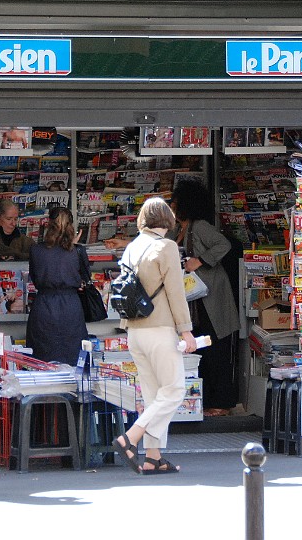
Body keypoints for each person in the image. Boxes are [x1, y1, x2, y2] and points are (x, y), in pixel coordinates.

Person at [111, 196, 196, 475]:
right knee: (173, 391)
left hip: (134, 330)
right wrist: (186, 331)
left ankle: (152, 457)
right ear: (168, 220)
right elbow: (175, 292)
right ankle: (130, 438)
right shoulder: (166, 247)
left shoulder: (133, 247)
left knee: (152, 396)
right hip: (160, 329)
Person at [170, 177, 239, 417]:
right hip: (197, 301)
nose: (172, 208)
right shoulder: (181, 229)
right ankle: (208, 399)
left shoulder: (199, 227)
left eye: (175, 203)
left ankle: (222, 402)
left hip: (211, 300)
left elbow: (223, 244)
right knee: (202, 348)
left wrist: (199, 261)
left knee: (215, 349)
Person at [24, 206, 88, 366]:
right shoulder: (78, 251)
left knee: (42, 360)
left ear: (48, 225)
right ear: (72, 227)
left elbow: (35, 278)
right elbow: (85, 278)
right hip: (71, 308)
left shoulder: (36, 250)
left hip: (44, 306)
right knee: (73, 359)